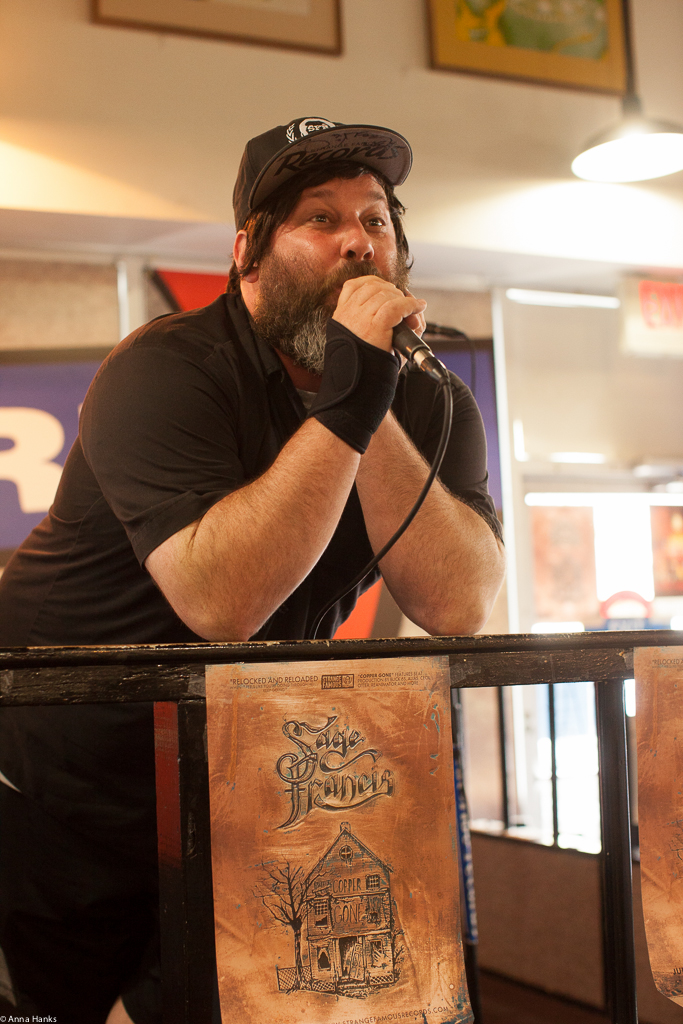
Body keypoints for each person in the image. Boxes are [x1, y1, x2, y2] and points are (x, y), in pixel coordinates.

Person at [0, 116, 505, 1023]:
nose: (359, 239)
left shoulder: (427, 396)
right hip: (54, 776)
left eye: (377, 218)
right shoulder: (164, 370)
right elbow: (222, 601)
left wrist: (373, 396)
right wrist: (350, 402)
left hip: (241, 779)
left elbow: (458, 603)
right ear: (248, 254)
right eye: (319, 218)